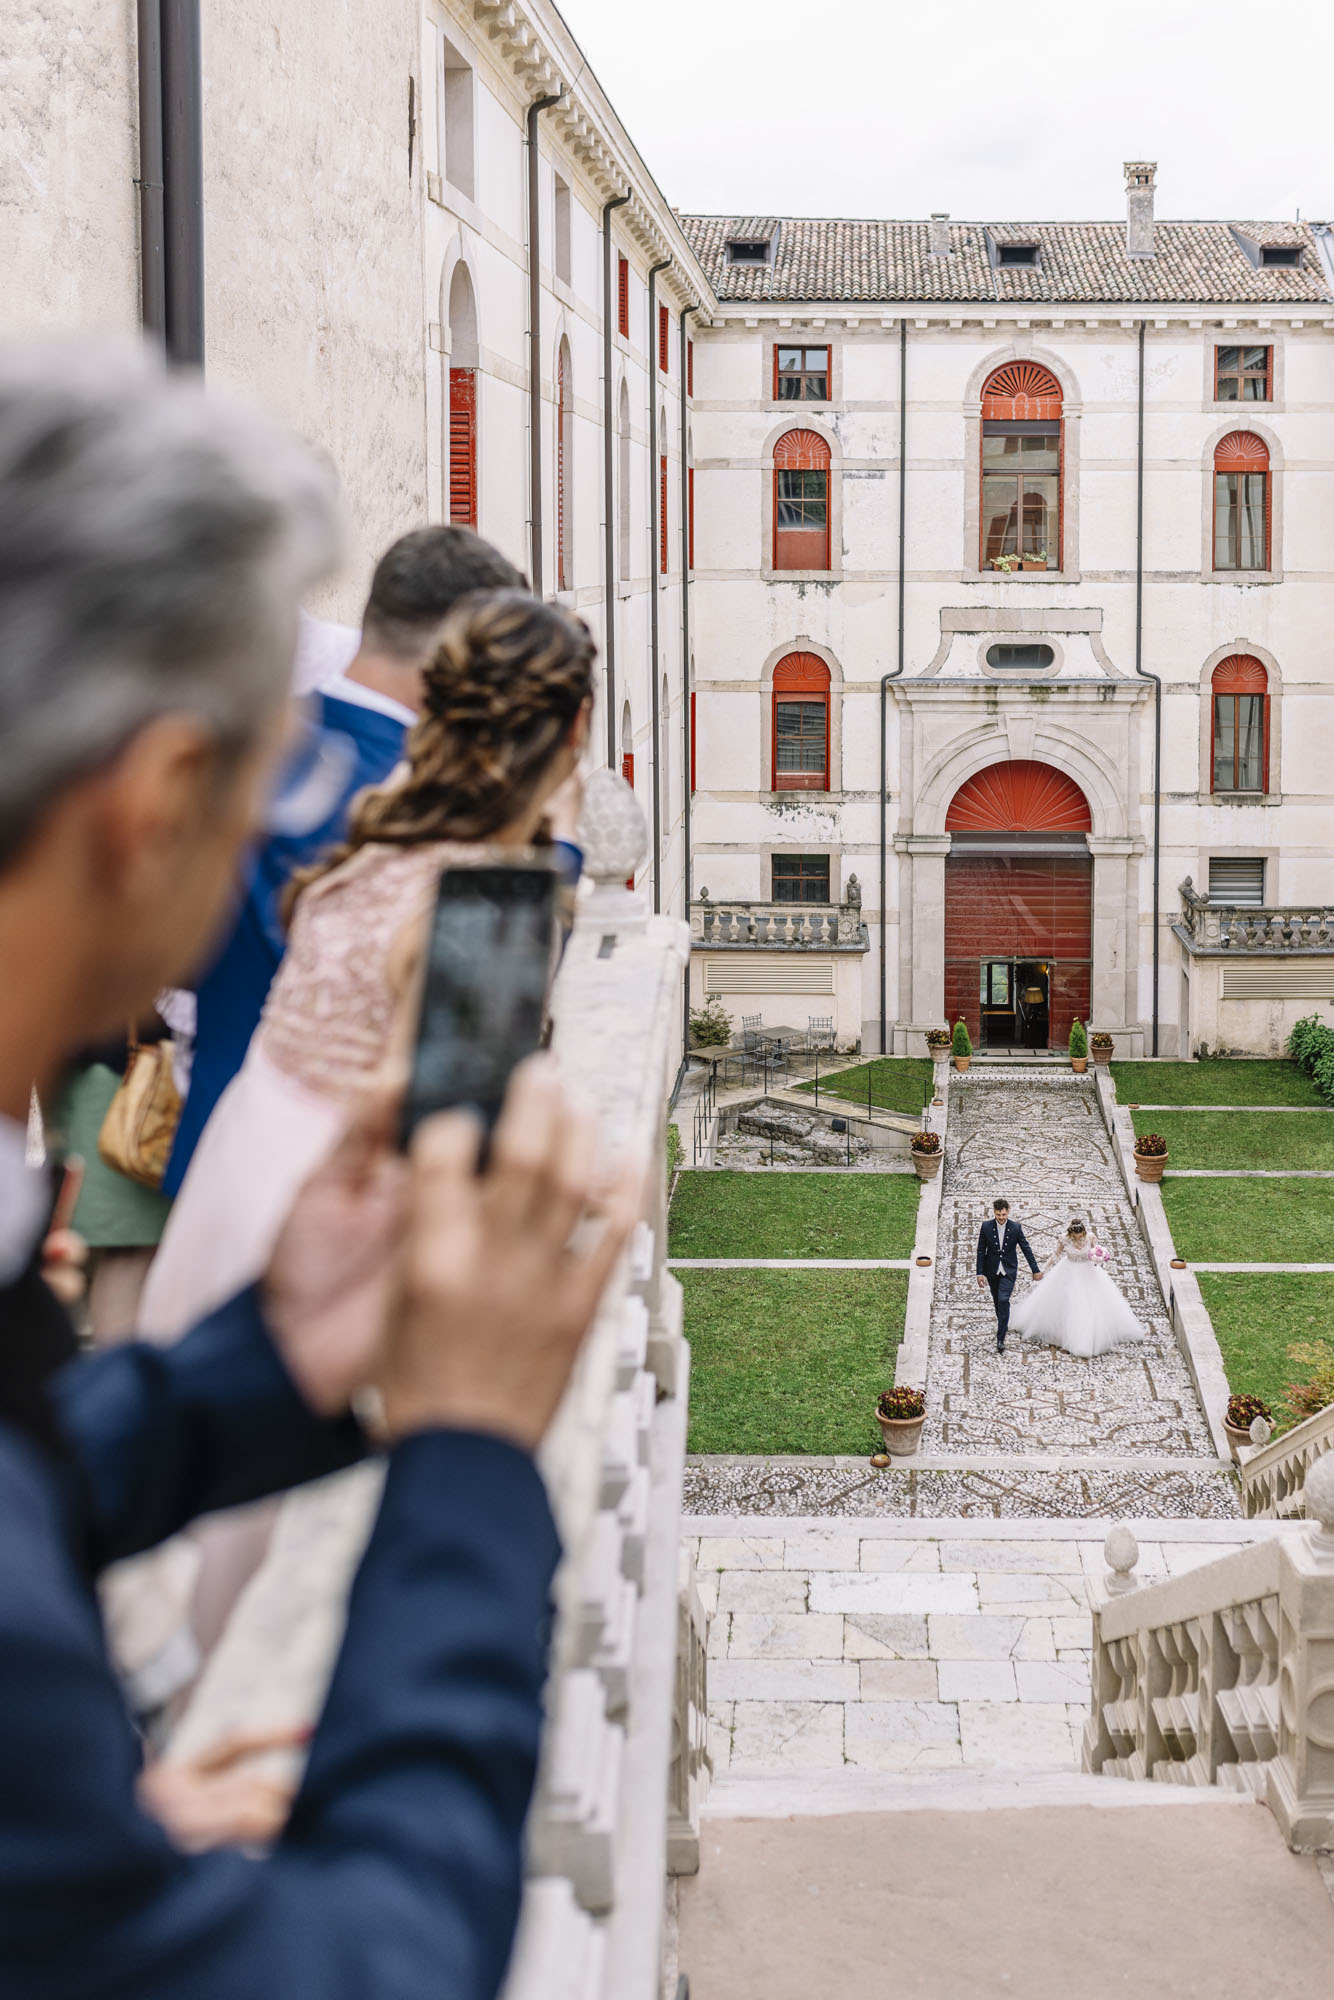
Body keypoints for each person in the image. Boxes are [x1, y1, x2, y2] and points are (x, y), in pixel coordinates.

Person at [0, 341, 635, 1997]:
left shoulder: (374, 842)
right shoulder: (500, 888)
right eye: (268, 757)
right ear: (155, 802)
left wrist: (258, 1366)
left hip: (250, 1173)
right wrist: (470, 1454)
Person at [164, 525, 527, 1198]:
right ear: (462, 649)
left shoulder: (238, 743)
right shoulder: (420, 800)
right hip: (329, 1181)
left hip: (209, 1136)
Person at [1009, 1219, 1148, 1357]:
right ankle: (1065, 1333)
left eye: (1080, 1236)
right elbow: (1056, 1255)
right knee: (1068, 1302)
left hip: (1088, 1272)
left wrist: (1099, 1259)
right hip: (1068, 1272)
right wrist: (1043, 1270)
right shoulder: (1063, 1239)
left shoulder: (1091, 1237)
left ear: (1084, 1232)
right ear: (1070, 1233)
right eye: (1075, 1236)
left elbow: (1097, 1251)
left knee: (1091, 1302)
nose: (1077, 1238)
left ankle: (1089, 1335)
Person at [974, 1196, 1042, 1353]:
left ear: (1008, 1212)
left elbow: (1026, 1249)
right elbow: (981, 1250)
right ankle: (1003, 1322)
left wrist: (1035, 1270)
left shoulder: (1016, 1228)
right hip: (992, 1270)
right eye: (998, 1215)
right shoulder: (986, 1227)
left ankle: (1001, 1337)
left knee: (1003, 1299)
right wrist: (980, 1273)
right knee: (997, 1301)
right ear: (994, 1212)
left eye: (1004, 1214)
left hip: (1008, 1270)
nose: (1001, 1218)